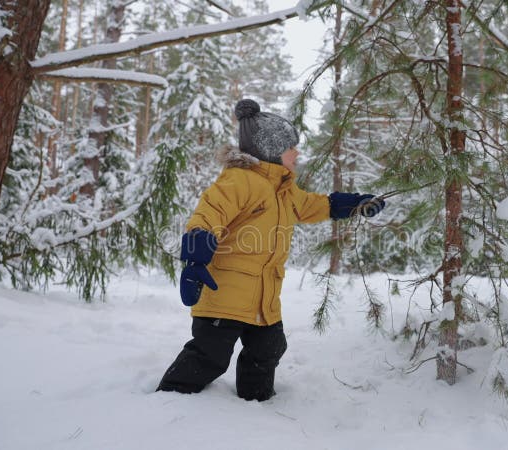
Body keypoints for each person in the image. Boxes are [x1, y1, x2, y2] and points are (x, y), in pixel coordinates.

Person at [156, 98, 386, 401]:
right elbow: (209, 215)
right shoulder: (240, 181)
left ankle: (256, 399)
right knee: (210, 354)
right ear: (271, 149)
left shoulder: (285, 191)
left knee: (269, 348)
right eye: (291, 147)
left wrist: (352, 205)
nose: (297, 153)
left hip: (263, 298)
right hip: (224, 292)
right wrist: (195, 258)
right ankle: (171, 398)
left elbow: (315, 205)